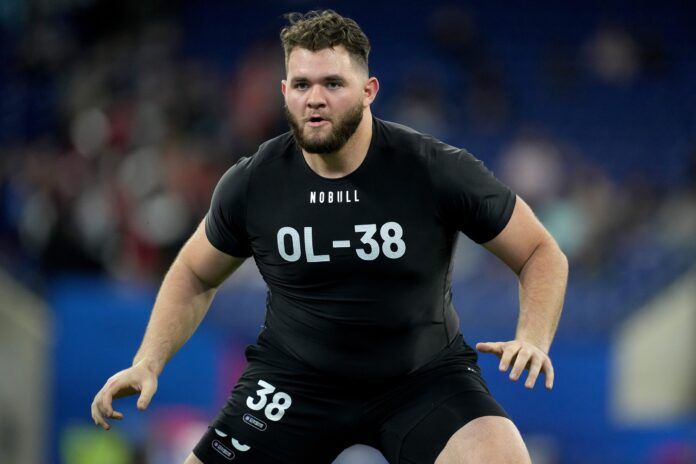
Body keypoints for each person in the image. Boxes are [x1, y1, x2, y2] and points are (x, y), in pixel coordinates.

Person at [91, 10, 568, 464]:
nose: (314, 98)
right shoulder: (253, 183)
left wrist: (533, 337)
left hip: (422, 379)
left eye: (333, 83)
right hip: (293, 384)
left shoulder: (434, 169)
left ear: (369, 90)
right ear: (284, 92)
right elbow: (194, 271)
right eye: (301, 84)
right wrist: (148, 361)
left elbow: (540, 251)